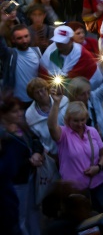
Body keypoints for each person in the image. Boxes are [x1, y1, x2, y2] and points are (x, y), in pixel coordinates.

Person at [47, 86, 103, 212]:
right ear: (67, 120)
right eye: (76, 121)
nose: (80, 124)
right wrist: (56, 103)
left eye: (83, 120)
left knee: (101, 216)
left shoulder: (92, 131)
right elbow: (52, 127)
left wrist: (98, 167)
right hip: (74, 189)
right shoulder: (64, 134)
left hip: (97, 184)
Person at [0, 92, 44, 235]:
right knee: (20, 216)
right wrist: (30, 162)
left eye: (20, 110)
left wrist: (37, 153)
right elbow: (9, 164)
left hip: (29, 177)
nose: (19, 114)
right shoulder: (4, 136)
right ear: (3, 114)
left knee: (33, 210)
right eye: (14, 111)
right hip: (16, 182)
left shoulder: (21, 126)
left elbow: (35, 139)